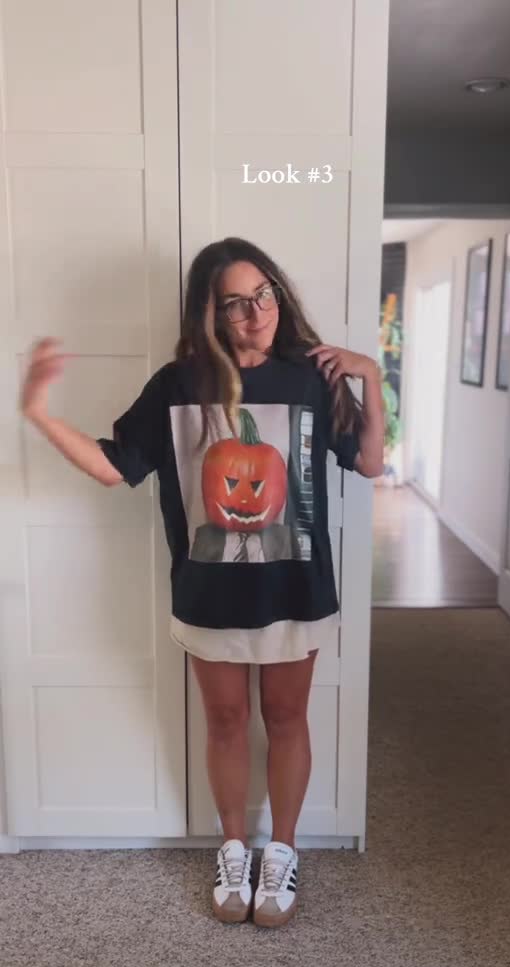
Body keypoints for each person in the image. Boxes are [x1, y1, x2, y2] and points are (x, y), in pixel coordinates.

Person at [19, 237, 385, 929]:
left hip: (296, 590)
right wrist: (38, 412)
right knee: (225, 722)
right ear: (211, 314)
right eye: (235, 303)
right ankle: (233, 848)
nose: (256, 313)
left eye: (264, 295)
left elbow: (368, 463)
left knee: (287, 719)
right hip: (208, 595)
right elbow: (114, 467)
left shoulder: (311, 377)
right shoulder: (178, 385)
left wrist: (369, 374)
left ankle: (283, 850)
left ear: (279, 293)